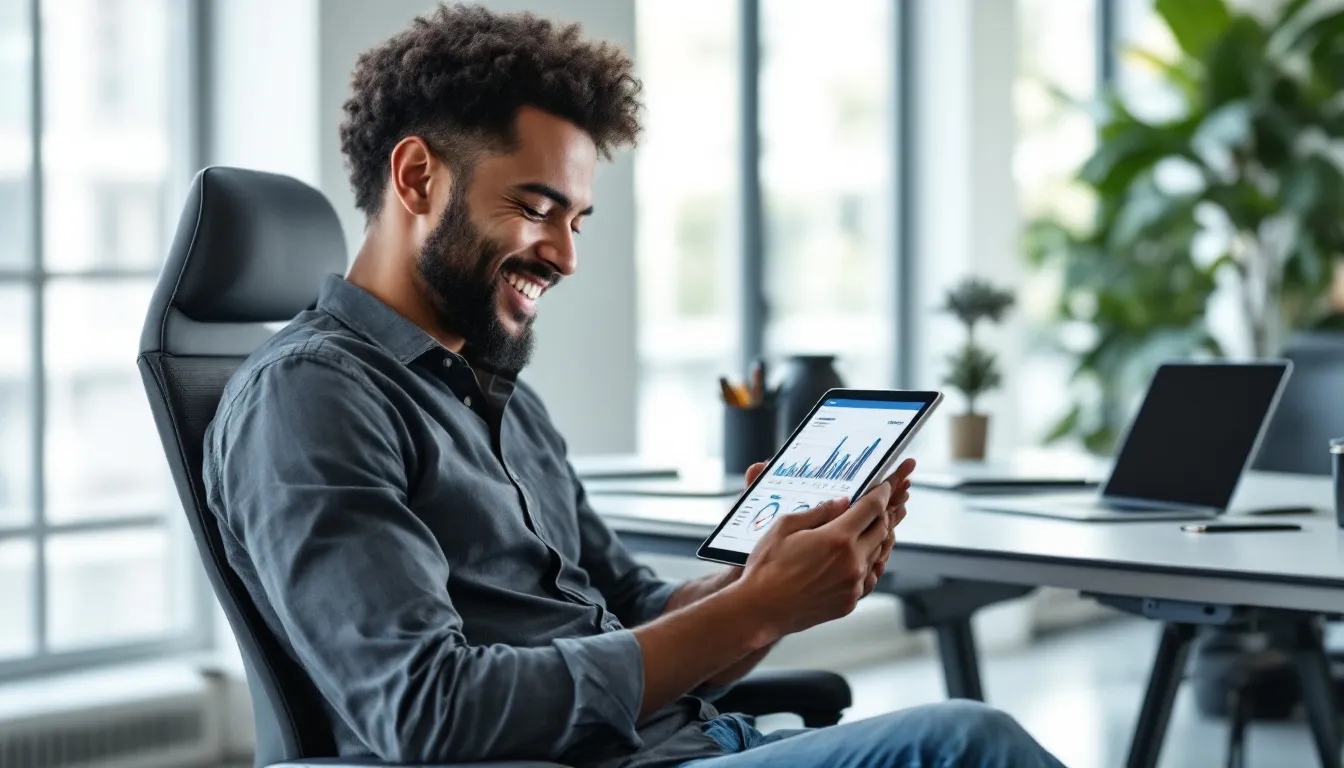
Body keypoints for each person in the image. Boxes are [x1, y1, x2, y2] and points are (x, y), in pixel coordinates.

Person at [204, 4, 1067, 767]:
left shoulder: (498, 398)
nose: (566, 255)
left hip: (699, 740)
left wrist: (762, 584)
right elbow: (425, 710)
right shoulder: (312, 399)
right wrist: (756, 610)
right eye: (538, 208)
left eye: (576, 221)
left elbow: (630, 613)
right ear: (419, 177)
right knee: (968, 743)